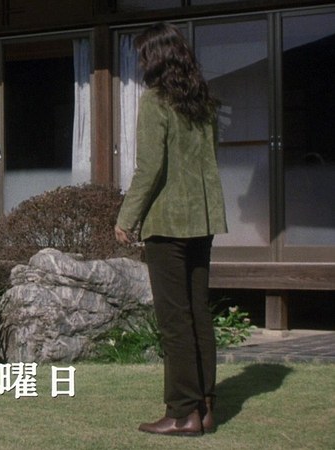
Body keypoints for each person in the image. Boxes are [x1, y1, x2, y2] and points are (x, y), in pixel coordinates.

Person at [114, 22, 227, 436]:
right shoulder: (203, 102)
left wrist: (126, 218)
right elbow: (208, 161)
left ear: (156, 58)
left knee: (175, 320)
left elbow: (150, 168)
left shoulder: (155, 101)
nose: (141, 62)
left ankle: (181, 413)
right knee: (198, 314)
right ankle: (205, 406)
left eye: (144, 55)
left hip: (166, 223)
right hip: (202, 220)